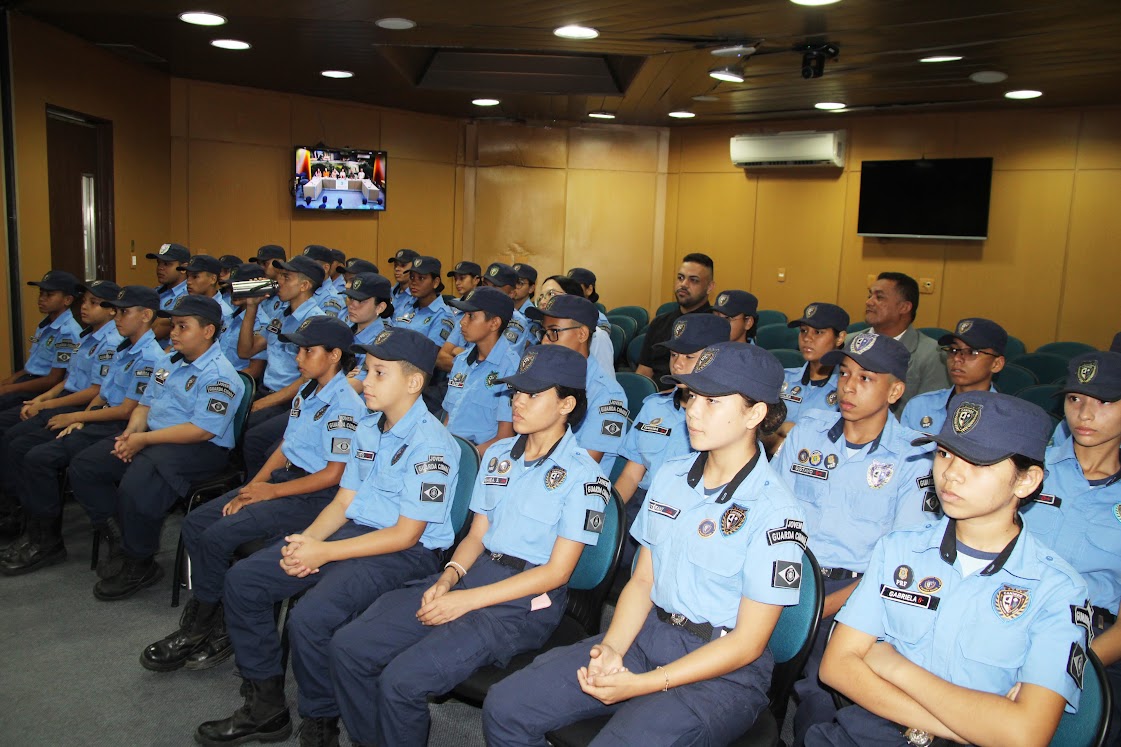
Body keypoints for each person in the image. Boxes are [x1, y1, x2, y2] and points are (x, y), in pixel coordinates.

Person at [483, 341, 807, 746]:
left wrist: (643, 684)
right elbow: (641, 583)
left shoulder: (775, 511)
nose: (691, 409)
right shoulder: (671, 477)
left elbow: (748, 644)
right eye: (691, 396)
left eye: (711, 401)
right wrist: (613, 648)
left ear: (755, 413)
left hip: (720, 673)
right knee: (506, 705)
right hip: (647, 636)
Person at [326, 344, 606, 746]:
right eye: (516, 393)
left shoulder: (584, 478)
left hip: (522, 601)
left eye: (532, 394)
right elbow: (476, 535)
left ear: (566, 404)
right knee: (349, 647)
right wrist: (448, 578)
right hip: (472, 576)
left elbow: (556, 573)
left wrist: (465, 601)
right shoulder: (498, 458)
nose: (518, 403)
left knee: (401, 681)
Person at [193, 328, 458, 747]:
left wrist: (324, 551)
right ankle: (266, 707)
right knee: (245, 580)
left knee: (311, 618)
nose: (365, 381)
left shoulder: (434, 447)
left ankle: (320, 719)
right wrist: (307, 542)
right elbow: (341, 502)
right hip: (354, 534)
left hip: (404, 553)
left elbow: (406, 535)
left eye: (378, 373)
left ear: (413, 382)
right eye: (366, 370)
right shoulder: (370, 428)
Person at [807, 391, 1089, 747]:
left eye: (977, 462)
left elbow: (1024, 735)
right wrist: (971, 727)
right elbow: (835, 667)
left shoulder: (1057, 589)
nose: (951, 474)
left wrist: (894, 665)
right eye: (944, 454)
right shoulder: (898, 549)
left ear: (1026, 481)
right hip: (867, 731)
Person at [139, 316, 363, 673]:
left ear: (335, 355)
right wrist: (250, 487)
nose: (298, 358)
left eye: (307, 351)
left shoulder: (345, 405)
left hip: (314, 496)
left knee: (217, 536)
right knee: (197, 523)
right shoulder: (308, 391)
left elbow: (333, 474)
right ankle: (210, 614)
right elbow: (286, 446)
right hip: (285, 481)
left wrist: (270, 492)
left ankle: (205, 626)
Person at [775, 330, 937, 745]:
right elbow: (770, 510)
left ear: (896, 390)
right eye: (845, 373)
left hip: (856, 592)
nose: (847, 385)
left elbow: (898, 564)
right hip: (790, 570)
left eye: (866, 378)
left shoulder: (913, 457)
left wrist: (819, 607)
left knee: (822, 694)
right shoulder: (809, 431)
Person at [67, 295, 244, 600]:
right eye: (173, 325)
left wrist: (143, 440)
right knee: (86, 466)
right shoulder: (168, 360)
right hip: (153, 437)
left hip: (200, 449)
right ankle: (120, 534)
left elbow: (201, 431)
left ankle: (140, 561)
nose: (173, 332)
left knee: (138, 483)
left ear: (208, 331)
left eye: (182, 326)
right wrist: (130, 434)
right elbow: (144, 405)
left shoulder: (220, 375)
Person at [0, 286, 165, 572]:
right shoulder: (126, 347)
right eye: (116, 311)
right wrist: (82, 417)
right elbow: (101, 394)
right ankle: (35, 531)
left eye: (124, 312)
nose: (117, 318)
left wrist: (77, 416)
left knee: (43, 458)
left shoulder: (150, 355)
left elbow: (128, 409)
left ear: (146, 316)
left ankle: (54, 541)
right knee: (28, 451)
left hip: (122, 424)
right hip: (101, 416)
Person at [1022, 350, 1121, 745]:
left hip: (1092, 642)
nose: (1084, 414)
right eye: (1075, 398)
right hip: (1005, 617)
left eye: (1105, 401)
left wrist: (1062, 669)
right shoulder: (1029, 469)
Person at [613, 313, 730, 580]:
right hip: (642, 506)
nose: (677, 364)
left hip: (692, 517)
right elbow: (632, 474)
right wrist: (609, 514)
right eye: (674, 355)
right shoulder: (655, 406)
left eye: (689, 357)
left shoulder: (726, 421)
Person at [0, 280, 121, 539]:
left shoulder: (111, 342)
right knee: (14, 438)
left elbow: (95, 391)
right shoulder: (89, 335)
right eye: (84, 301)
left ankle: (36, 527)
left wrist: (49, 405)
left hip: (81, 404)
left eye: (94, 302)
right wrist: (42, 400)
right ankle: (19, 510)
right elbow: (68, 379)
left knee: (22, 446)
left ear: (112, 310)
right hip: (70, 398)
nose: (85, 307)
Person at [237, 255, 326, 474]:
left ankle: (251, 487)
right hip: (266, 392)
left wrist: (265, 402)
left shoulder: (316, 323)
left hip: (289, 400)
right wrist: (251, 308)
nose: (280, 282)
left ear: (304, 285)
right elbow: (245, 351)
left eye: (287, 277)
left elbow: (308, 379)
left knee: (251, 433)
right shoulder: (281, 316)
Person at [528, 294, 630, 474]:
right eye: (543, 332)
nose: (544, 341)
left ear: (582, 334)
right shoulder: (543, 376)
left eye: (553, 332)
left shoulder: (608, 395)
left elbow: (585, 466)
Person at [442, 286, 522, 453]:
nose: (462, 322)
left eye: (471, 316)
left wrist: (465, 459)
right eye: (463, 315)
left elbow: (505, 437)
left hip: (478, 458)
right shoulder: (462, 361)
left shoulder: (511, 368)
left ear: (494, 323)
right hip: (449, 450)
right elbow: (449, 418)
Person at [900, 317, 1007, 433]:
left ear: (997, 364)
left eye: (972, 352)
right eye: (953, 350)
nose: (956, 358)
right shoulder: (920, 406)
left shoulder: (1006, 418)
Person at [863, 272, 949, 410]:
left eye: (879, 297)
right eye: (869, 295)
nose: (869, 302)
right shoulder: (848, 342)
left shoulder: (933, 355)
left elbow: (928, 414)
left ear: (904, 307)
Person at [0, 270, 83, 414]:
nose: (42, 299)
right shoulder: (45, 325)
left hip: (41, 389)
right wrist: (8, 382)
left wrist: (9, 388)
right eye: (41, 293)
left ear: (67, 300)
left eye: (49, 295)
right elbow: (31, 367)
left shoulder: (68, 332)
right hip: (28, 381)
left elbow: (53, 379)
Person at [636, 253, 715, 383]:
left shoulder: (716, 325)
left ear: (709, 287)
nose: (684, 284)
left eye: (693, 280)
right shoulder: (660, 323)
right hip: (655, 396)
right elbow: (644, 372)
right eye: (680, 277)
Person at [533, 274, 615, 380]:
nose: (543, 301)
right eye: (541, 297)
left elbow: (604, 379)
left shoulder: (597, 336)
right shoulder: (545, 332)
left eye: (551, 294)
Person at [780, 302, 850, 425]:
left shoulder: (847, 387)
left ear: (840, 338)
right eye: (803, 331)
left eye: (818, 332)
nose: (807, 338)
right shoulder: (784, 378)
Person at [218, 263, 268, 380]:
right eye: (231, 287)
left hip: (233, 382)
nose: (233, 292)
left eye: (240, 288)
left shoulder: (262, 324)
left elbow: (253, 371)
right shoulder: (229, 316)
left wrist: (224, 382)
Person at [393, 255, 452, 346]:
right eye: (412, 277)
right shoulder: (407, 306)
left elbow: (431, 353)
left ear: (435, 282)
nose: (414, 282)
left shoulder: (443, 315)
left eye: (421, 278)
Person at [146, 242, 190, 339]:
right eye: (159, 263)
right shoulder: (156, 291)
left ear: (183, 268)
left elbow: (155, 331)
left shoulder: (188, 297)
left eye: (166, 264)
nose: (160, 268)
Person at [302, 245, 347, 319]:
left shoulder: (331, 299)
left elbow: (322, 329)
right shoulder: (305, 289)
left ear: (325, 268)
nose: (304, 269)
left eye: (310, 265)